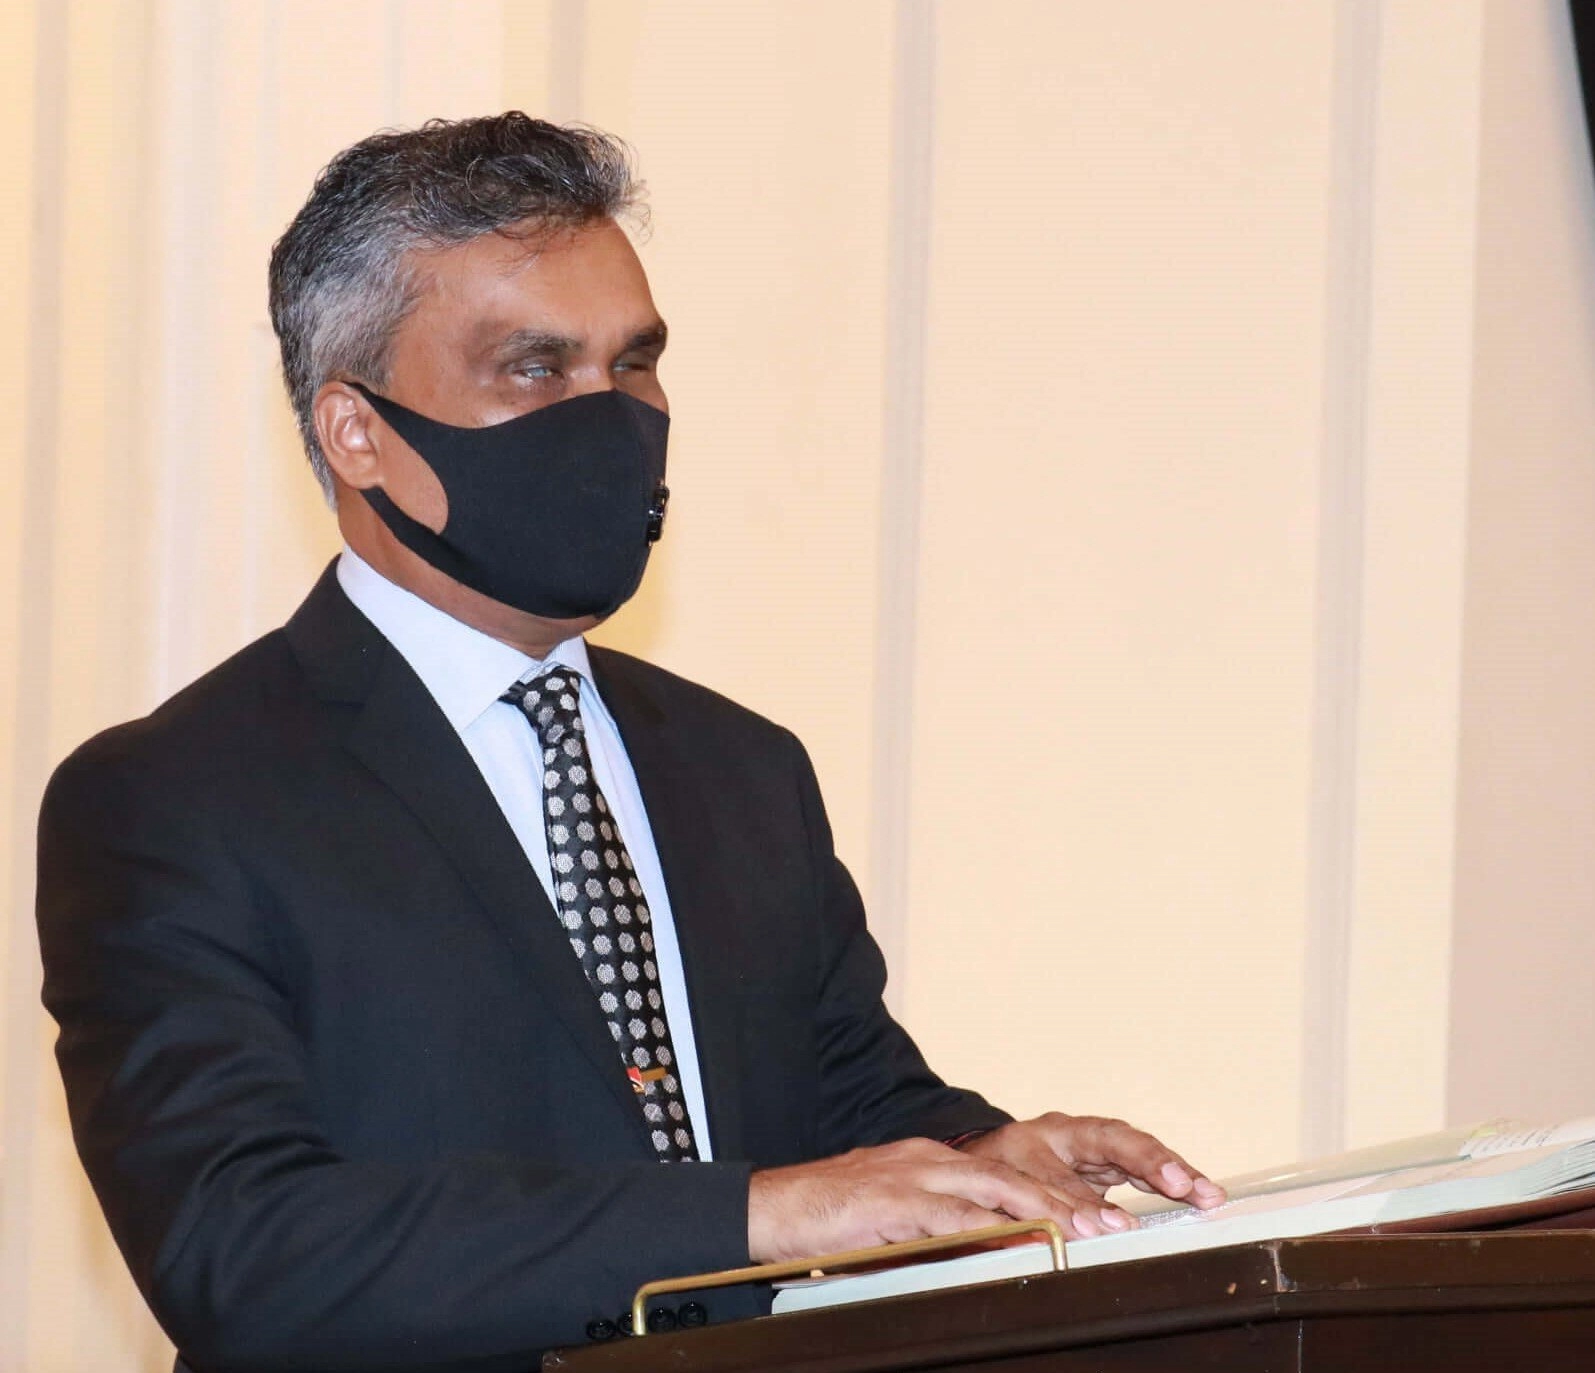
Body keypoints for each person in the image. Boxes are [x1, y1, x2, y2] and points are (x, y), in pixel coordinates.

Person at [36, 113, 1223, 1372]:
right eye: (534, 369)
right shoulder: (173, 798)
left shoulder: (739, 766)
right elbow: (245, 1249)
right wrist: (744, 1216)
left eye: (634, 363)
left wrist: (983, 1162)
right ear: (357, 431)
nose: (607, 419)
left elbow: (844, 1106)